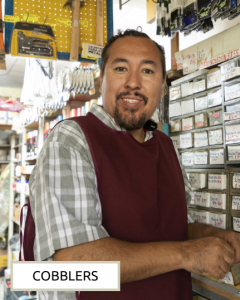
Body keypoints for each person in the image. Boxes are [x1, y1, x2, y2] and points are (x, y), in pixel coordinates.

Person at [29, 29, 240, 300]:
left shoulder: (166, 147)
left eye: (148, 71)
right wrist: (187, 254)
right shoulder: (72, 140)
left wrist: (213, 236)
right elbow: (74, 261)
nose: (133, 83)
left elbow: (175, 229)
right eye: (120, 68)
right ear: (101, 80)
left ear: (162, 86)